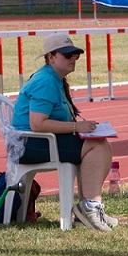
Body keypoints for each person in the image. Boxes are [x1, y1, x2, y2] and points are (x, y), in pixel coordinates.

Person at [11, 32, 117, 231]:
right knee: (96, 146)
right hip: (29, 144)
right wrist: (77, 127)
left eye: (76, 54)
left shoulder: (54, 79)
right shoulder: (45, 81)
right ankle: (89, 207)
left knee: (101, 144)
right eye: (67, 55)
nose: (73, 58)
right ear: (51, 57)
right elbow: (37, 124)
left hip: (39, 141)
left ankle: (88, 207)